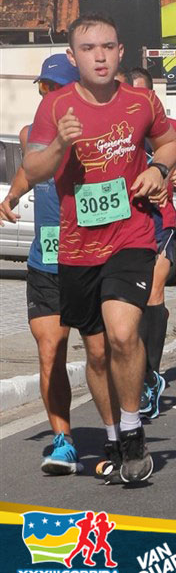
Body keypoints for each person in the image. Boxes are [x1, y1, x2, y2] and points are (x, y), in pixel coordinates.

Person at [23, 12, 176, 484]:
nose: (100, 56)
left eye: (108, 47)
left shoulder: (141, 100)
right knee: (95, 353)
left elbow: (168, 142)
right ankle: (112, 437)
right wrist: (60, 145)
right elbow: (34, 169)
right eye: (88, 49)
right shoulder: (55, 108)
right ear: (73, 57)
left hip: (131, 235)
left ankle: (131, 431)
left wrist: (157, 168)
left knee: (122, 333)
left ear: (120, 51)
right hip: (76, 246)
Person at [0, 54, 83, 474]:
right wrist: (11, 196)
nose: (46, 95)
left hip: (90, 256)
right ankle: (63, 440)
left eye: (53, 88)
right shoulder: (31, 133)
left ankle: (122, 426)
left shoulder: (93, 129)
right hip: (47, 258)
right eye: (42, 88)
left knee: (104, 353)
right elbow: (28, 173)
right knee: (50, 351)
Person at [129, 67, 176, 417]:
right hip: (126, 224)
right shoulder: (118, 129)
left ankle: (150, 378)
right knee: (133, 304)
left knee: (154, 293)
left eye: (143, 94)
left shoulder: (171, 129)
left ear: (153, 95)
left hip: (161, 222)